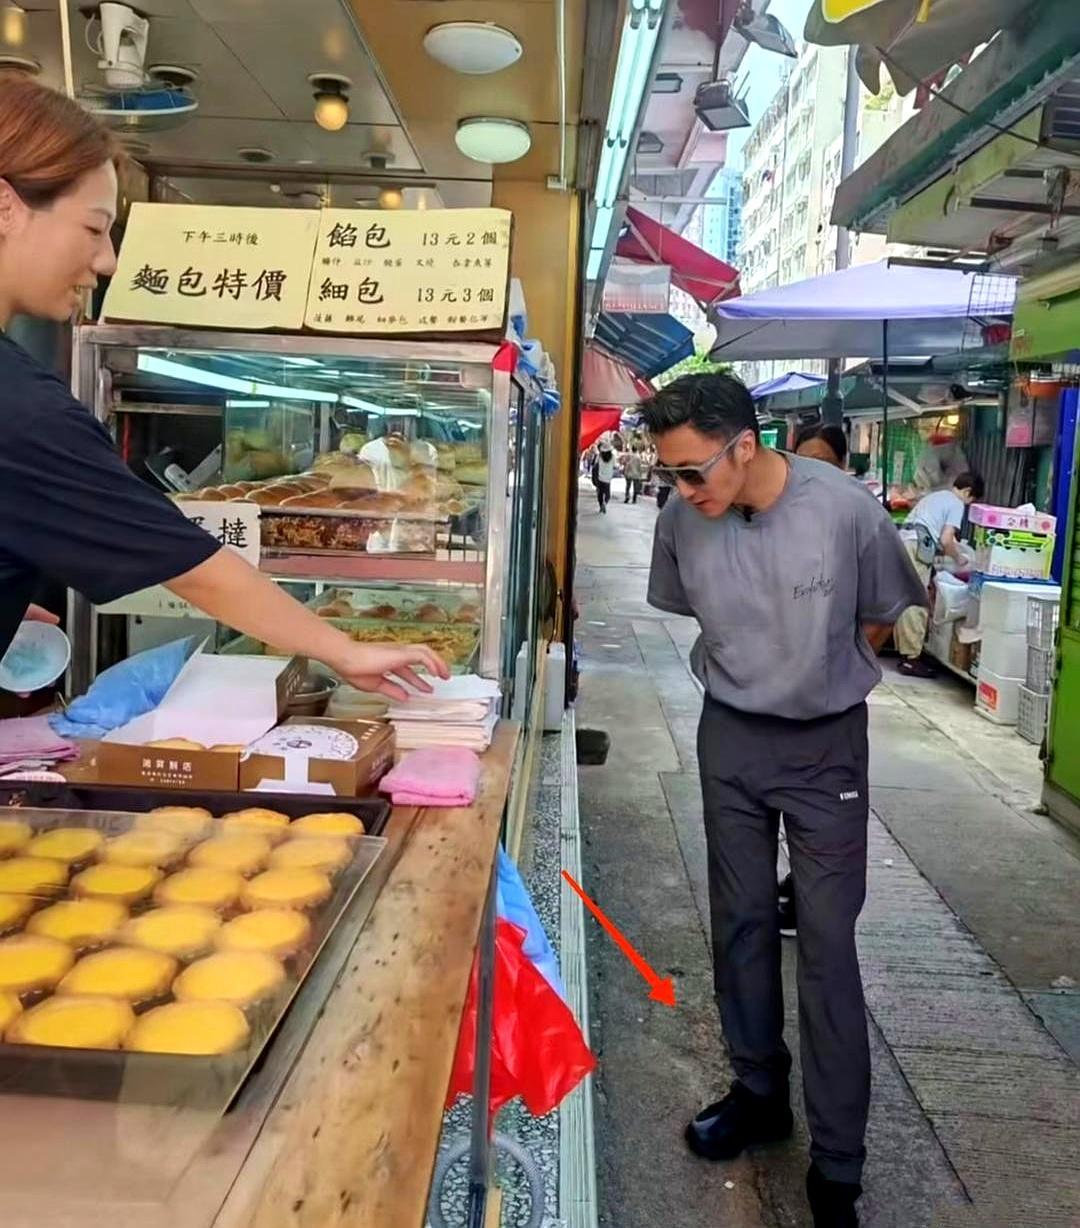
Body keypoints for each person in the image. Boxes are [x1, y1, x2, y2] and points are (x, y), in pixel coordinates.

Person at [0, 73, 449, 698]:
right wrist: (341, 649)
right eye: (94, 227)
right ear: (5, 207)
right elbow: (188, 564)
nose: (106, 260)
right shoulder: (19, 407)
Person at [639, 372, 926, 1228]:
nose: (684, 492)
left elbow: (885, 612)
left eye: (695, 473)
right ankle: (758, 1089)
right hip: (730, 736)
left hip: (824, 743)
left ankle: (838, 1165)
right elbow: (696, 608)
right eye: (671, 476)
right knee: (740, 919)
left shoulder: (843, 509)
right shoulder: (681, 519)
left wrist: (820, 675)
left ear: (747, 445)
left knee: (828, 946)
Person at [895, 471, 984, 678]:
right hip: (918, 544)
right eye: (971, 500)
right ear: (968, 492)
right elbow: (946, 540)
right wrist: (959, 559)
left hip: (904, 540)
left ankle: (906, 653)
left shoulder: (936, 496)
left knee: (905, 599)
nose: (968, 504)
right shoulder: (956, 503)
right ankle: (911, 658)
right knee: (917, 601)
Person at [592, 442, 615, 514]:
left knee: (600, 494)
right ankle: (605, 503)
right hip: (608, 478)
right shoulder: (613, 457)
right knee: (607, 494)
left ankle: (601, 505)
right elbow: (614, 465)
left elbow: (595, 464)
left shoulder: (599, 456)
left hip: (600, 477)